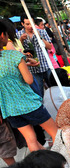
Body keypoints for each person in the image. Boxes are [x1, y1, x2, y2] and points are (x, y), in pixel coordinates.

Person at [0, 21, 58, 152]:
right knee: (56, 134)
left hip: (10, 109)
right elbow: (29, 79)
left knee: (31, 140)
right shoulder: (14, 55)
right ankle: (65, 165)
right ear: (2, 36)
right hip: (28, 104)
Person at [17, 14, 53, 96]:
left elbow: (50, 46)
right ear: (22, 24)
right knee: (39, 93)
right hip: (32, 69)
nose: (30, 26)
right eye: (27, 24)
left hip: (46, 65)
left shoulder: (41, 32)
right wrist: (21, 40)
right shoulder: (19, 35)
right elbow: (18, 52)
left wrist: (39, 37)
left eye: (32, 23)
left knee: (54, 88)